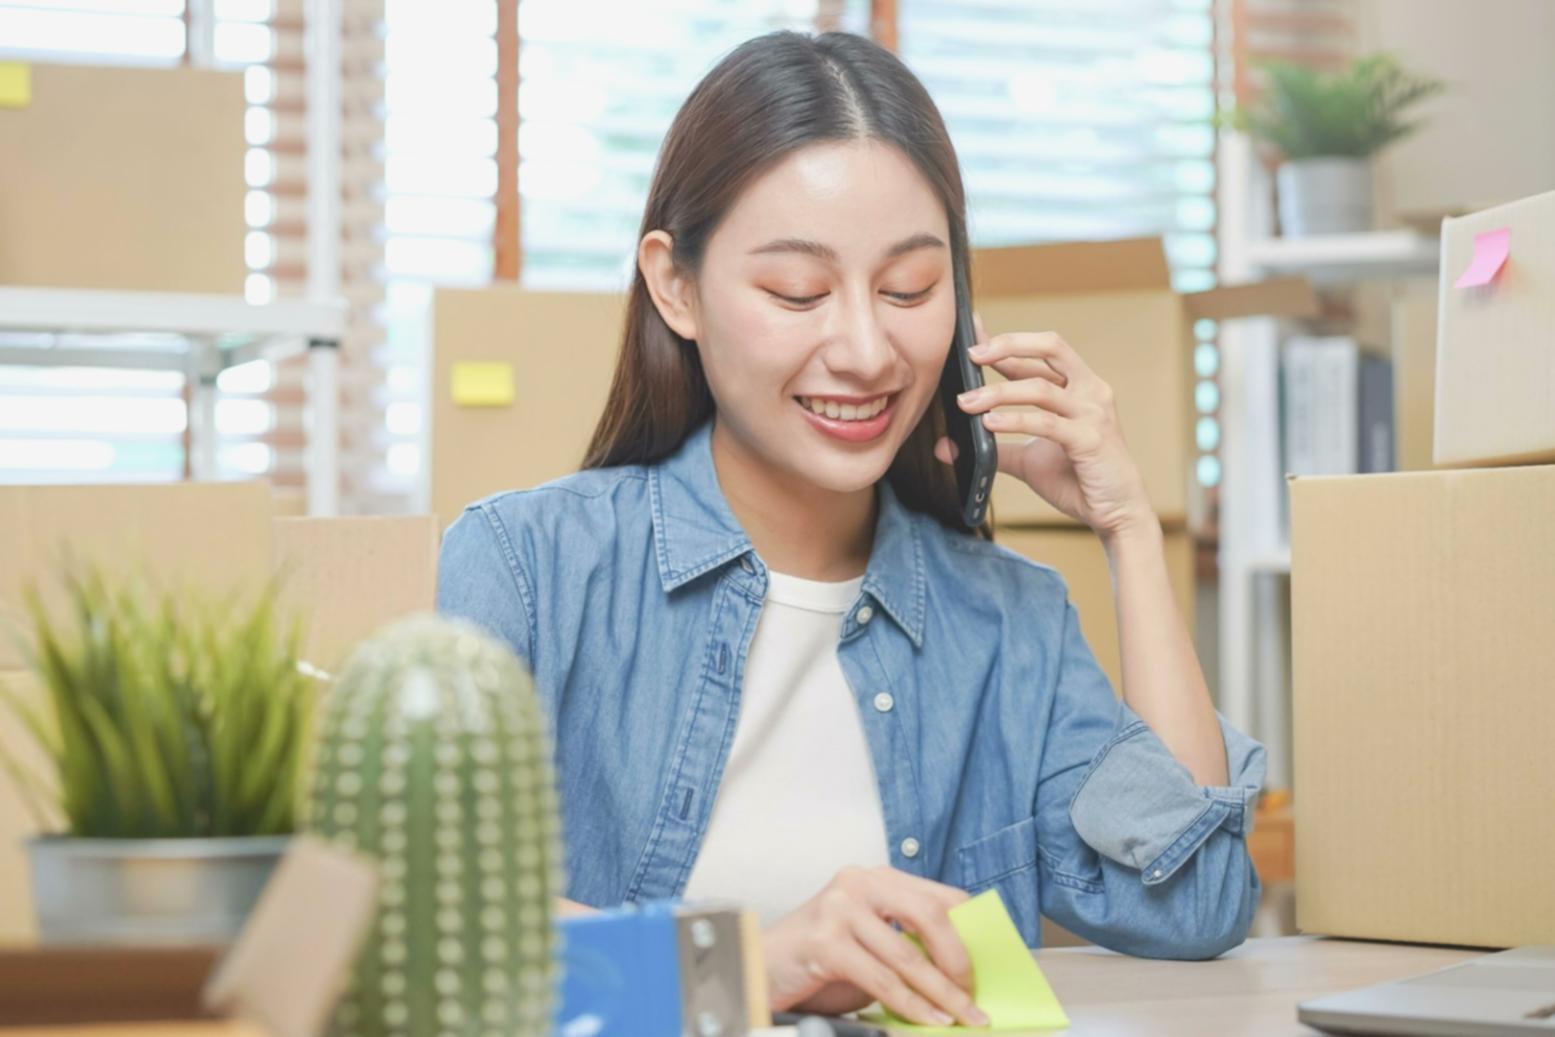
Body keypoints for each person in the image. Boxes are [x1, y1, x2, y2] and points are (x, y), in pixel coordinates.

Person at [438, 29, 1265, 1029]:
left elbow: (1191, 902)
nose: (867, 349)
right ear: (676, 286)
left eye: (909, 289)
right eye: (798, 291)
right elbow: (437, 930)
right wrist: (749, 963)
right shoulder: (528, 568)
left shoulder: (1010, 622)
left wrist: (1127, 525)